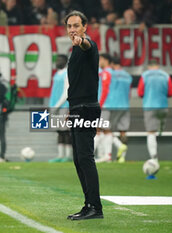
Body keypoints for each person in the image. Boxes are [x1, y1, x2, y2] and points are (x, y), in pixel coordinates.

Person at [64, 10, 103, 221]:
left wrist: (82, 41)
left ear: (85, 27)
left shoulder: (87, 45)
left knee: (85, 158)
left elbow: (87, 45)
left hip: (86, 108)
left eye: (76, 25)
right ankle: (89, 204)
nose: (72, 30)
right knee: (79, 159)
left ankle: (95, 207)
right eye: (69, 26)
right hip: (78, 108)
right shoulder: (75, 50)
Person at [137, 59, 172, 161]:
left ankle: (154, 157)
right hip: (163, 106)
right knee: (158, 130)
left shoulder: (145, 75)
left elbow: (140, 93)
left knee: (151, 132)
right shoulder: (166, 75)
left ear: (149, 66)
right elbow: (171, 93)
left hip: (150, 106)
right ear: (158, 65)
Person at [48, 54, 72, 163]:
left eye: (60, 60)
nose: (58, 61)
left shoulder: (67, 74)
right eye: (57, 60)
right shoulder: (56, 74)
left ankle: (68, 155)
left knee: (65, 131)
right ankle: (60, 155)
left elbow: (66, 92)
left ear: (66, 61)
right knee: (59, 131)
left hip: (63, 106)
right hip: (55, 106)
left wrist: (57, 105)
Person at [109, 56, 132, 163]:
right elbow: (129, 93)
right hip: (125, 105)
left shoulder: (111, 74)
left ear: (112, 64)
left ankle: (117, 148)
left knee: (106, 130)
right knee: (123, 131)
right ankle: (122, 157)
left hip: (113, 105)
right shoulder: (128, 76)